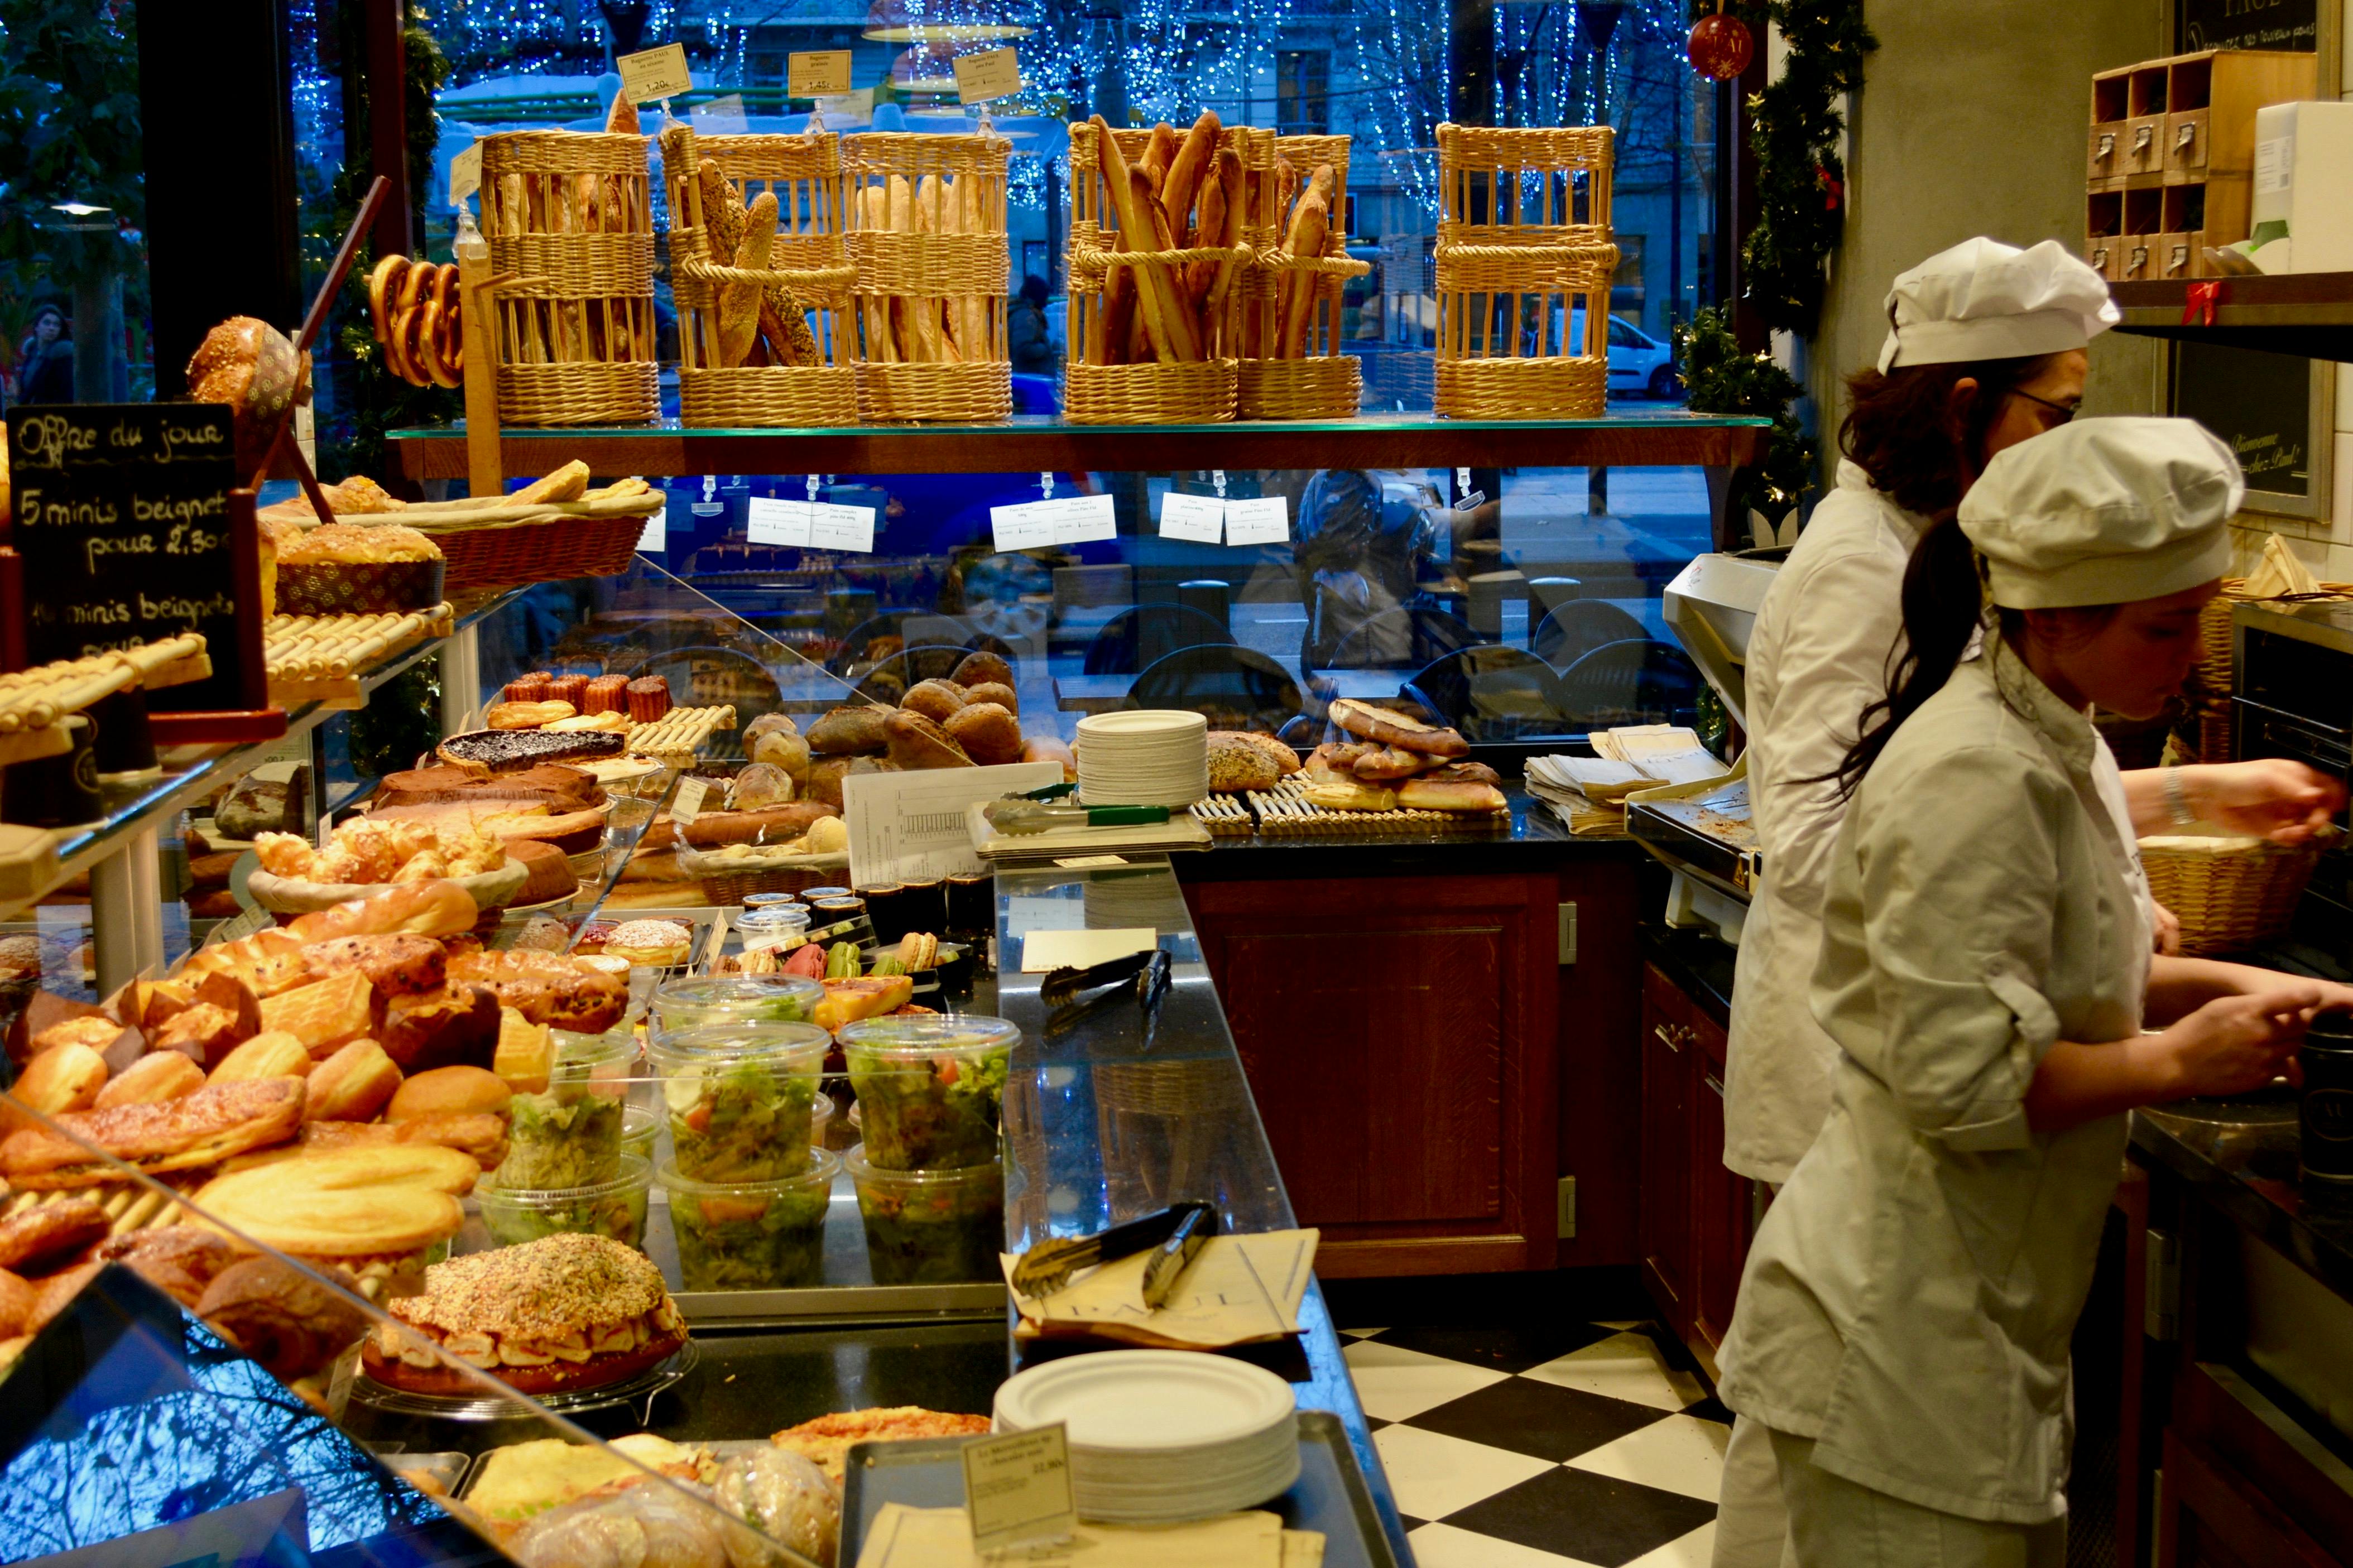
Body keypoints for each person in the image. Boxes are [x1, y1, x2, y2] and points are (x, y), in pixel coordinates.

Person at [1713, 237, 2342, 1568]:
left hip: (1946, 1314)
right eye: (2167, 632)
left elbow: (2050, 951)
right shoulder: (1963, 742)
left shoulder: (2041, 726)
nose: (2191, 660)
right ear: (2053, 618)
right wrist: (2174, 1055)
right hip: (1897, 1323)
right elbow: (1948, 1035)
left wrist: (2241, 985)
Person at [17, 305, 71, 404]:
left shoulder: (62, 355)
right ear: (37, 327)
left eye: (57, 325)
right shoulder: (32, 354)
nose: (52, 328)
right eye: (47, 323)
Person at [1009, 275, 1055, 374]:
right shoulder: (1025, 316)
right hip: (1031, 378)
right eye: (1044, 296)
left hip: (1032, 377)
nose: (1046, 302)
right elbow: (1022, 349)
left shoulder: (1027, 314)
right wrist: (1046, 348)